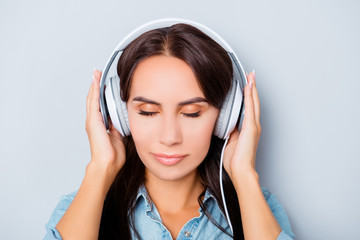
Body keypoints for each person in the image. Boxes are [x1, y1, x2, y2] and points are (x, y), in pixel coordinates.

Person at [44, 23, 295, 240]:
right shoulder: (79, 208)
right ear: (119, 114)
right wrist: (100, 167)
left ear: (227, 116)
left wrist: (244, 174)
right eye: (148, 112)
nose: (169, 138)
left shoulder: (259, 208)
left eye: (192, 113)